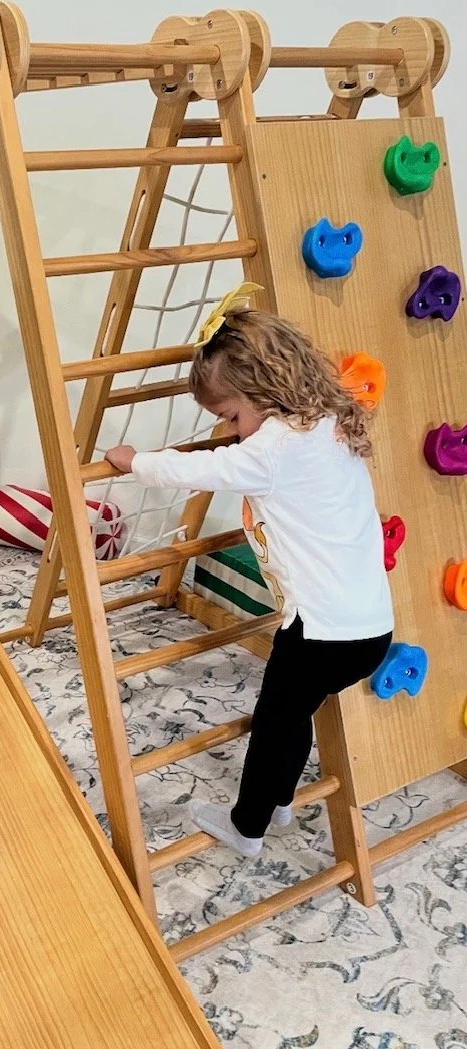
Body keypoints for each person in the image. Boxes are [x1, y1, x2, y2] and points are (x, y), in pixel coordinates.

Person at [105, 284, 393, 858]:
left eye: (231, 415)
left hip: (320, 630)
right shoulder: (329, 420)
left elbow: (205, 469)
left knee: (274, 721)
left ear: (262, 390)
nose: (232, 430)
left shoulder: (273, 448)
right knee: (295, 711)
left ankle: (248, 826)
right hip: (370, 629)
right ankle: (281, 800)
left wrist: (135, 461)